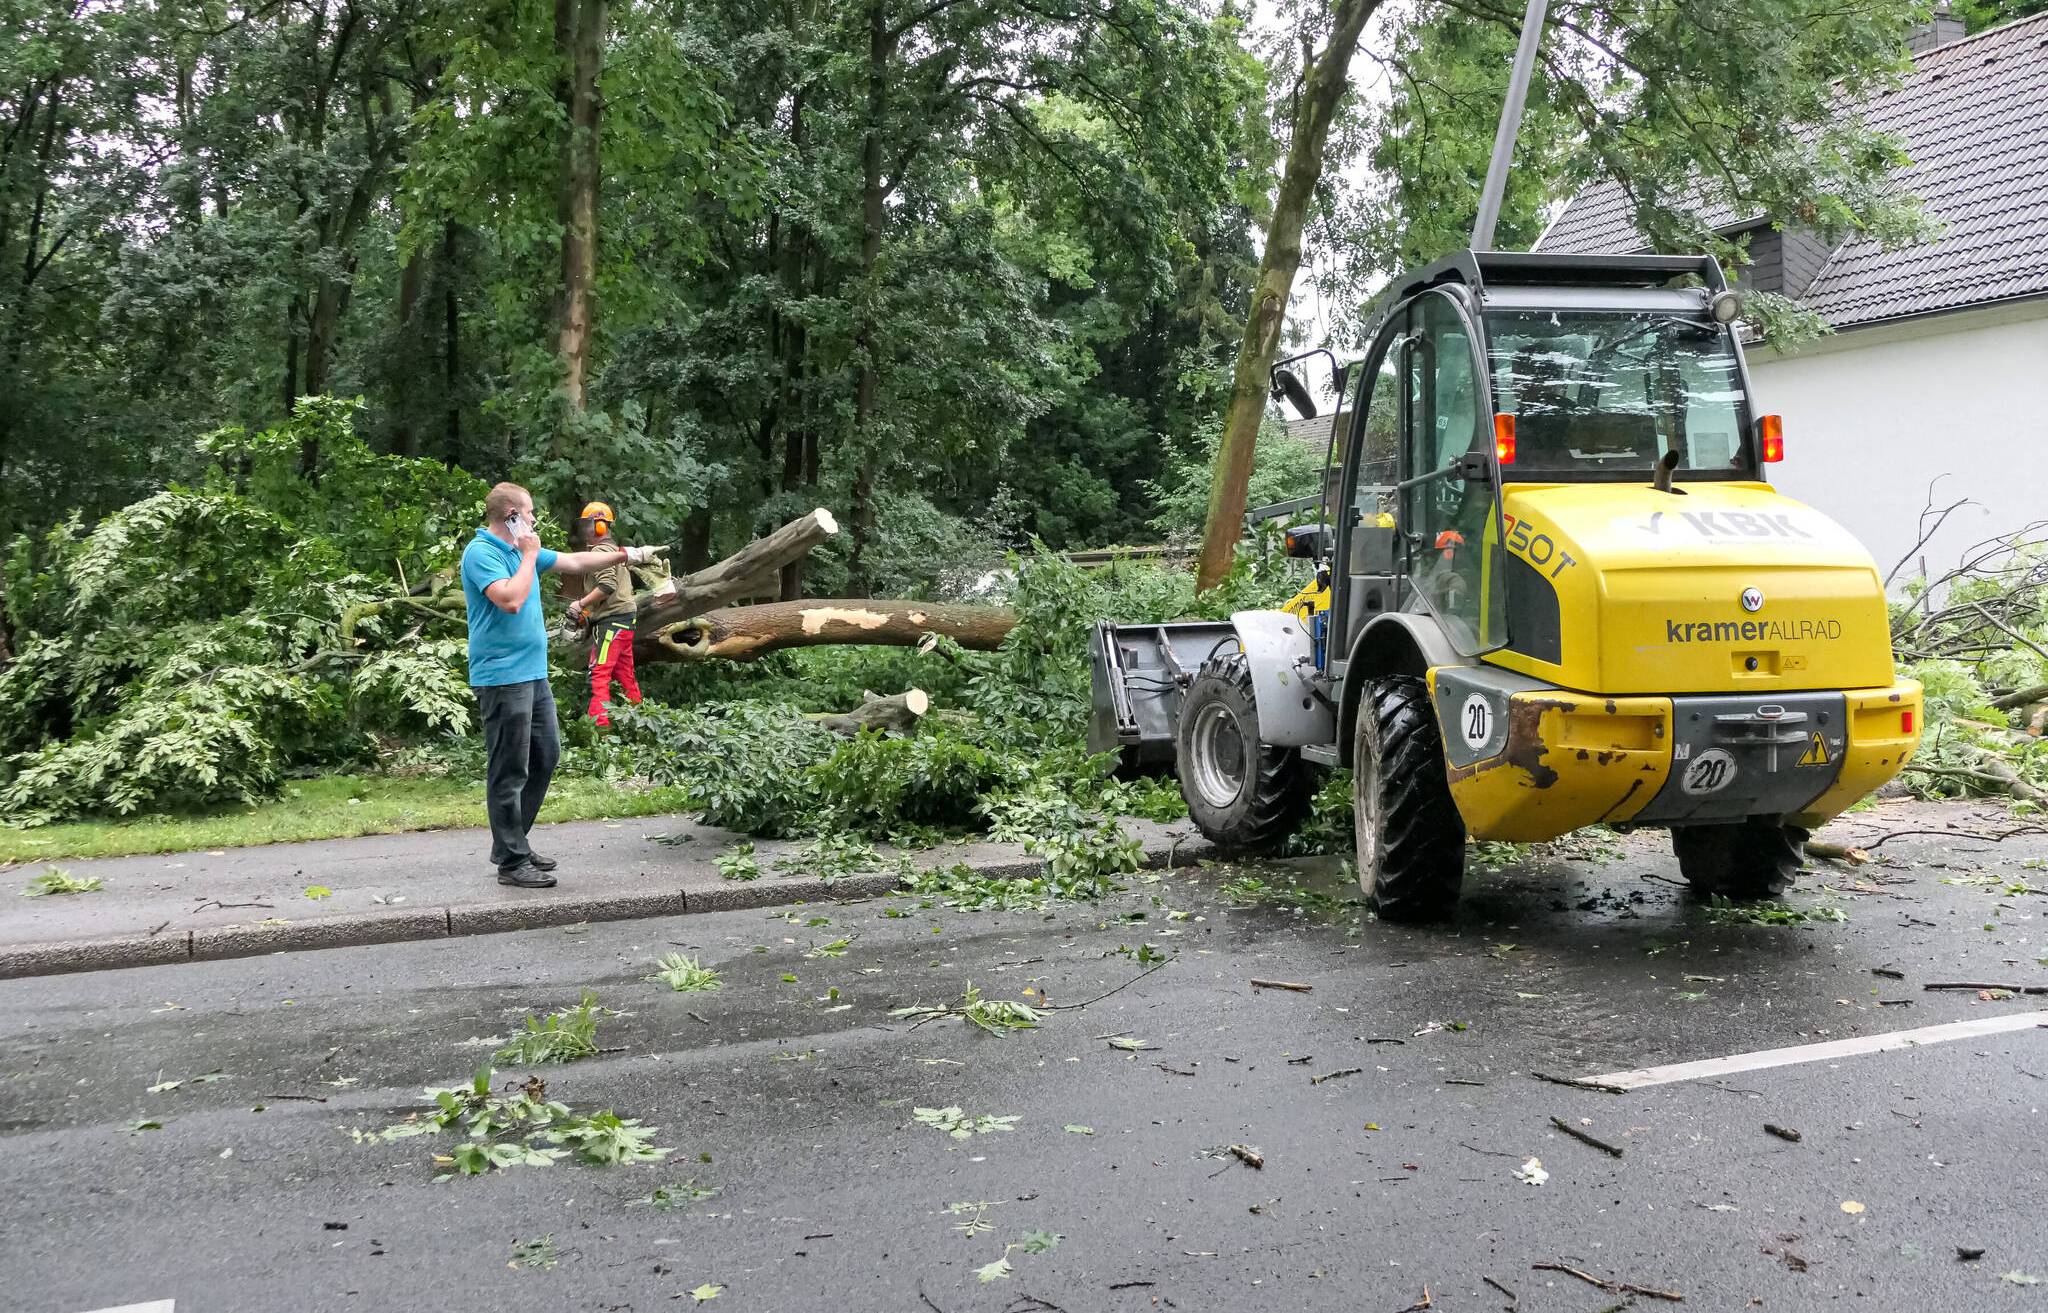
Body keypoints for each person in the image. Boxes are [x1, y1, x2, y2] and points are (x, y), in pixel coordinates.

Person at [461, 483, 660, 888]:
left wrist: (630, 555)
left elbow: (573, 562)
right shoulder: (482, 553)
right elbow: (510, 600)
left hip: (533, 674)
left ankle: (513, 844)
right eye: (529, 513)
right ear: (512, 515)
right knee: (509, 768)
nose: (534, 521)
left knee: (546, 755)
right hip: (502, 676)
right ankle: (512, 863)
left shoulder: (522, 551)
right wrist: (529, 555)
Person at [563, 500, 642, 728]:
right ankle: (641, 722)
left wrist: (579, 604)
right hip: (623, 620)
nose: (585, 530)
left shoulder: (601, 552)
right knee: (625, 675)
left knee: (599, 674)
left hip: (613, 623)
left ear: (599, 526)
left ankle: (601, 731)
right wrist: (587, 612)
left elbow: (606, 585)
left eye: (589, 524)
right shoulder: (612, 551)